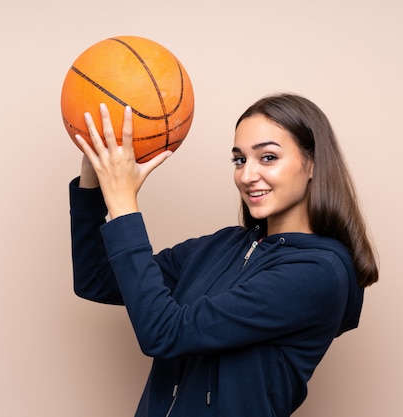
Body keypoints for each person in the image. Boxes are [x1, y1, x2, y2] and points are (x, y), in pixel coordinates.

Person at [68, 93, 378, 417]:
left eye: (268, 157)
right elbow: (97, 279)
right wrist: (92, 178)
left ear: (312, 164)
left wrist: (123, 204)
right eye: (239, 159)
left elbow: (164, 333)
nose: (246, 175)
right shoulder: (222, 246)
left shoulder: (318, 272)